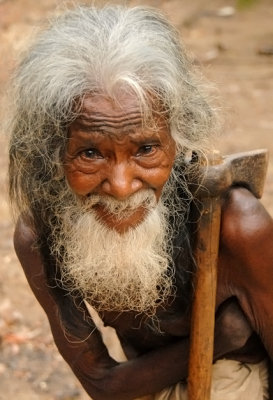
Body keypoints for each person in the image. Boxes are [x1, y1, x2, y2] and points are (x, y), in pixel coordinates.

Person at [8, 5, 273, 400]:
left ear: (178, 139)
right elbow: (101, 382)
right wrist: (221, 336)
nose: (120, 186)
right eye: (90, 154)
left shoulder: (234, 226)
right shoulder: (42, 235)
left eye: (146, 149)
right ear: (52, 152)